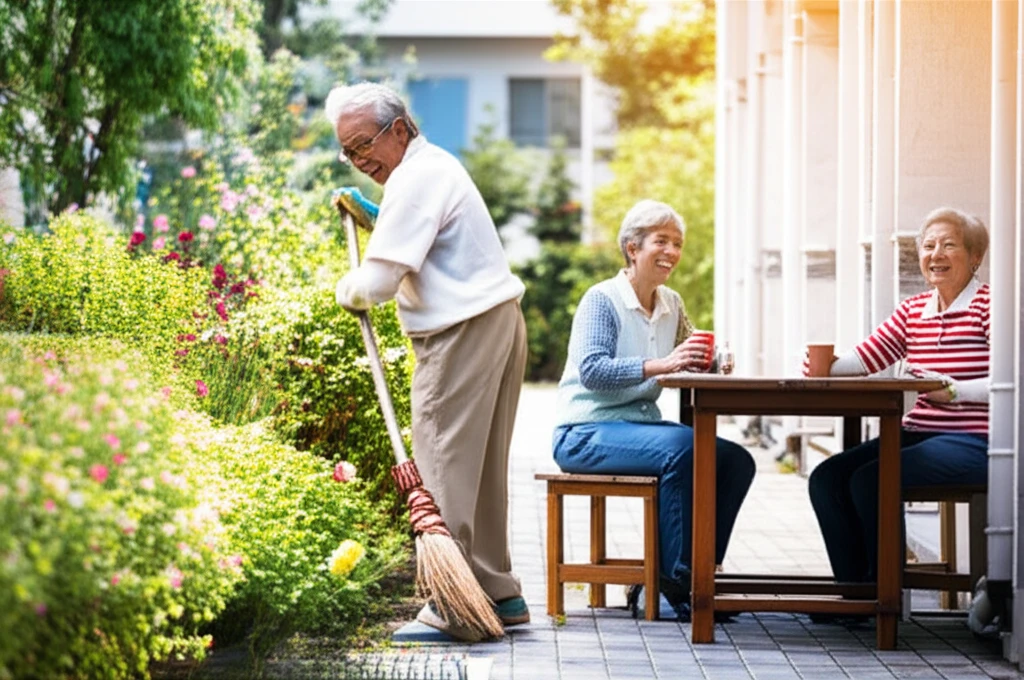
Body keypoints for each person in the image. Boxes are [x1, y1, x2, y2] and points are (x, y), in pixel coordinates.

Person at [326, 82, 529, 640]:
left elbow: (379, 282)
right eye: (347, 151)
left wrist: (348, 286)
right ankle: (496, 592)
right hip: (499, 320)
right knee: (481, 468)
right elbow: (420, 237)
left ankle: (451, 603)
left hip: (459, 332)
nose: (359, 158)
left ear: (399, 128)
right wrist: (376, 216)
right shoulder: (433, 168)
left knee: (441, 460)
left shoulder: (415, 181)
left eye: (364, 143)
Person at [551, 199, 756, 620]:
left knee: (735, 459)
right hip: (585, 432)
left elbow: (691, 350)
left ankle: (701, 572)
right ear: (632, 248)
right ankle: (676, 585)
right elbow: (592, 370)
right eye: (661, 241)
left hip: (639, 427)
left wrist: (711, 358)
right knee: (682, 448)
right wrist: (661, 365)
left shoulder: (671, 304)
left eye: (677, 243)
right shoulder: (602, 300)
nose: (672, 252)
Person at [807, 206, 990, 588]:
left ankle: (883, 593)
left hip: (976, 441)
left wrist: (953, 391)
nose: (935, 255)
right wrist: (822, 364)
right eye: (928, 246)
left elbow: (1012, 379)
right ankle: (855, 591)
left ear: (975, 257)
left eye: (948, 245)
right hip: (918, 432)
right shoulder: (913, 310)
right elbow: (865, 359)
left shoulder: (989, 306)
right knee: (827, 477)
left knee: (871, 479)